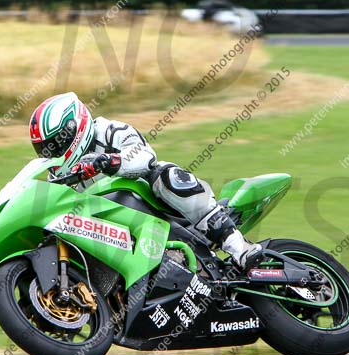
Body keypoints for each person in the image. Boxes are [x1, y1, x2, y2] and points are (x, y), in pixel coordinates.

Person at [28, 92, 263, 270]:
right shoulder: (58, 177)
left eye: (56, 143)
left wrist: (108, 162)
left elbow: (145, 157)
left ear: (73, 129)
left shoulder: (109, 131)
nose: (51, 153)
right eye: (44, 149)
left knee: (164, 174)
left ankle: (238, 246)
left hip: (155, 208)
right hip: (111, 234)